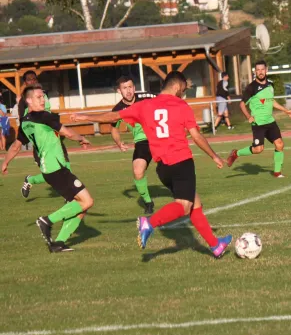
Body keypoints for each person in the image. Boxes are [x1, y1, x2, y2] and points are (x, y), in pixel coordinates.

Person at [70, 71, 233, 259]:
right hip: (181, 162)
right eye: (183, 90)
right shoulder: (181, 105)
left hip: (163, 168)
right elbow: (196, 135)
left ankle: (215, 245)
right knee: (184, 205)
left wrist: (85, 117)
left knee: (195, 203)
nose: (183, 94)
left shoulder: (144, 105)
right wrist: (214, 156)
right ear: (177, 86)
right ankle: (150, 223)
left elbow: (113, 116)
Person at [2, 85, 93, 253]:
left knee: (81, 207)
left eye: (43, 97)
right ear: (29, 100)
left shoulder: (26, 122)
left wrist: (5, 162)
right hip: (56, 168)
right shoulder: (43, 116)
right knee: (87, 201)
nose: (43, 100)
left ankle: (58, 243)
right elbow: (67, 132)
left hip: (48, 169)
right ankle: (47, 221)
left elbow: (16, 146)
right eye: (38, 97)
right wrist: (81, 138)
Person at [226, 60, 291, 178]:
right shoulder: (251, 88)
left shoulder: (270, 85)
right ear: (255, 72)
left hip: (270, 121)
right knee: (258, 149)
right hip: (258, 123)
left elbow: (271, 101)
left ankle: (277, 172)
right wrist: (248, 116)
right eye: (258, 70)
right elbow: (242, 104)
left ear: (266, 70)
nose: (260, 72)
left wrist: (285, 110)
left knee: (279, 145)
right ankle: (236, 153)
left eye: (262, 69)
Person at [16, 70, 72, 199]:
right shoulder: (24, 101)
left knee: (66, 167)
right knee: (50, 174)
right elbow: (24, 122)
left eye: (34, 78)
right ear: (25, 83)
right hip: (41, 141)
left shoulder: (43, 94)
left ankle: (71, 195)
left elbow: (47, 114)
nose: (33, 81)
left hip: (53, 135)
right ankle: (31, 180)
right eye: (29, 79)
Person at [111, 76, 157, 214]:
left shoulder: (147, 96)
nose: (128, 90)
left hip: (159, 137)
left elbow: (166, 100)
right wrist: (119, 142)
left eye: (130, 87)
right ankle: (148, 202)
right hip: (142, 142)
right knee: (137, 171)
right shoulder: (118, 109)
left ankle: (183, 194)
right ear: (119, 91)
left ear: (134, 88)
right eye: (124, 88)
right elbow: (113, 129)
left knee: (172, 167)